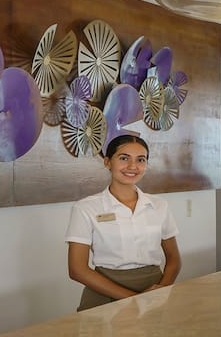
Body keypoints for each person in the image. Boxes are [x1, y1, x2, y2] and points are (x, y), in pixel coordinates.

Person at [66, 133, 182, 310]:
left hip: (154, 291)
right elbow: (77, 269)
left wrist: (161, 291)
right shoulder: (86, 208)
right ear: (107, 162)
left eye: (141, 160)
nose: (132, 166)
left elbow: (174, 259)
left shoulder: (159, 206)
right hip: (105, 294)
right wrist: (135, 299)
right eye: (124, 158)